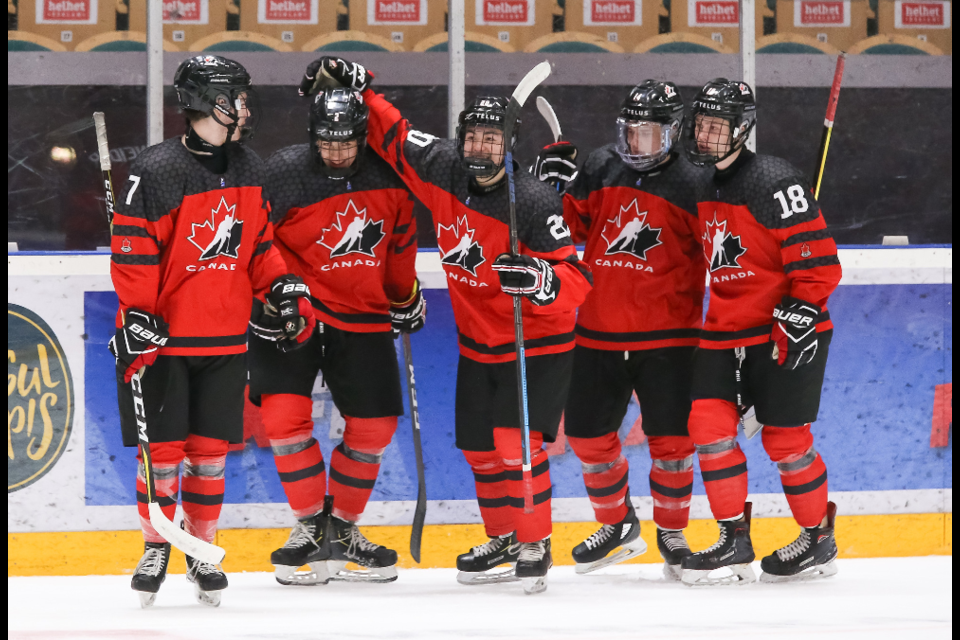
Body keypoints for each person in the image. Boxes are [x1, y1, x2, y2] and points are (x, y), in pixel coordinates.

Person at [303, 57, 593, 594]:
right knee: (481, 450)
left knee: (515, 444)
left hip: (536, 346)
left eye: (492, 139)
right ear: (461, 139)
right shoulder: (442, 168)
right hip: (479, 344)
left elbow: (576, 280)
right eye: (474, 137)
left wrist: (540, 279)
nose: (481, 148)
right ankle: (505, 538)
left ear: (510, 144)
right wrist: (361, 87)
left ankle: (535, 542)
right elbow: (395, 135)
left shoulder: (531, 200)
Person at [109, 55, 313, 607]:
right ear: (210, 101)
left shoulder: (250, 166)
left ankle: (201, 547)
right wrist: (139, 315)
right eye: (238, 97)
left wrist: (282, 288)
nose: (247, 107)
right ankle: (156, 546)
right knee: (163, 455)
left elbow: (260, 246)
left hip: (224, 341)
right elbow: (132, 254)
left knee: (209, 456)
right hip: (167, 344)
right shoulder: (155, 170)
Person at [531, 80, 711, 579]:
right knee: (588, 438)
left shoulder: (696, 179)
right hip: (595, 332)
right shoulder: (600, 165)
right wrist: (549, 189)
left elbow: (726, 250)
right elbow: (567, 230)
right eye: (631, 133)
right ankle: (617, 525)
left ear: (673, 133)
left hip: (670, 340)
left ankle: (672, 535)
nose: (637, 144)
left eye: (649, 134)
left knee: (672, 445)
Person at [250, 86, 423, 585]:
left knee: (374, 429)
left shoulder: (389, 174)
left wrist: (403, 295)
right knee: (283, 420)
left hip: (362, 312)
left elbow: (400, 243)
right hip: (290, 311)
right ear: (312, 136)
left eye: (348, 143)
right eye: (328, 142)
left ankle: (342, 528)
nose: (338, 152)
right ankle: (309, 526)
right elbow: (257, 237)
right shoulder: (282, 171)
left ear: (364, 138)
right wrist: (274, 290)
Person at [679, 78, 842, 586]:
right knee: (707, 427)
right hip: (724, 329)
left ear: (743, 128)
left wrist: (799, 312)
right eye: (701, 124)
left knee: (786, 441)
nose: (705, 136)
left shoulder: (775, 180)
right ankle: (734, 538)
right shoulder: (699, 184)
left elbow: (821, 266)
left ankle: (818, 537)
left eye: (717, 126)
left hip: (784, 328)